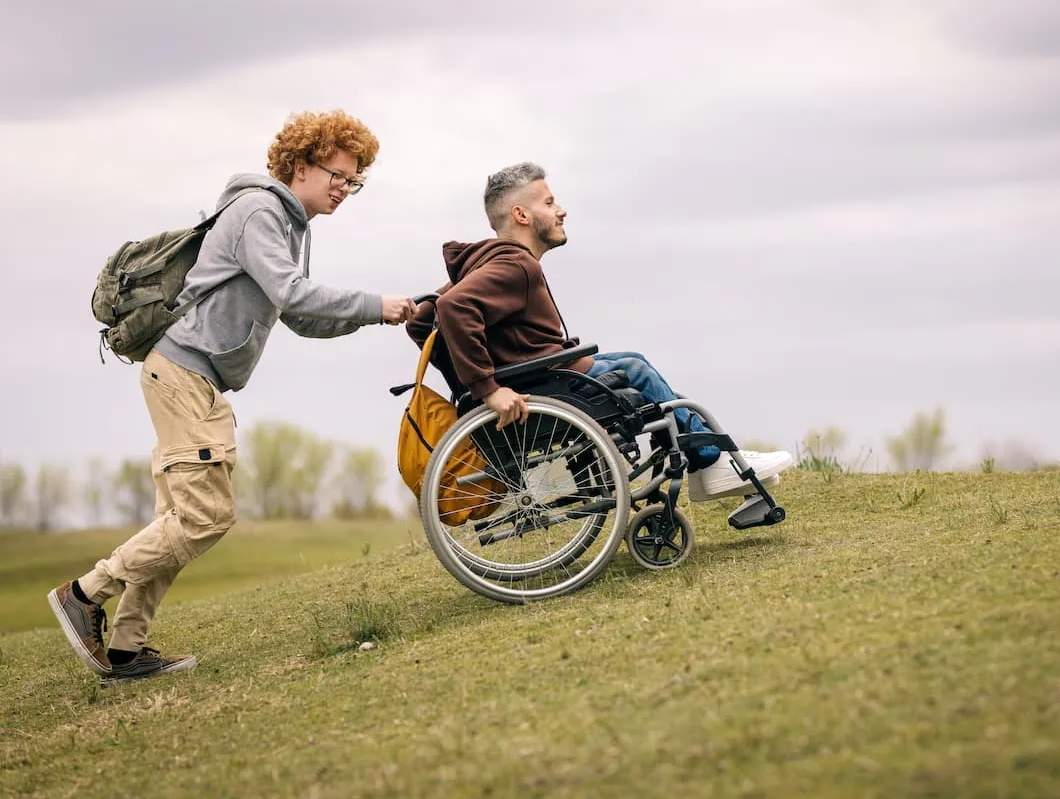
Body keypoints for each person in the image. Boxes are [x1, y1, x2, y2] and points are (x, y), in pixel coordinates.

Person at [49, 110, 419, 685]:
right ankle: (83, 593)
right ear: (301, 166)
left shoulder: (293, 225)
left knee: (177, 521)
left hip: (198, 380)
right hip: (182, 373)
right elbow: (292, 292)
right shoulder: (258, 211)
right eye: (338, 176)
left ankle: (125, 649)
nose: (345, 189)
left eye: (355, 181)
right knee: (206, 517)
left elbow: (300, 316)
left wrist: (382, 317)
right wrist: (375, 303)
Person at [405, 161, 792, 505]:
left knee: (635, 363)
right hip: (547, 384)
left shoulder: (484, 263)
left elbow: (421, 320)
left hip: (542, 374)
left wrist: (469, 374)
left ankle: (710, 459)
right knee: (635, 369)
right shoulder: (516, 266)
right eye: (549, 202)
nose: (561, 210)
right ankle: (711, 463)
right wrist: (489, 388)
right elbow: (453, 309)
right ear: (521, 214)